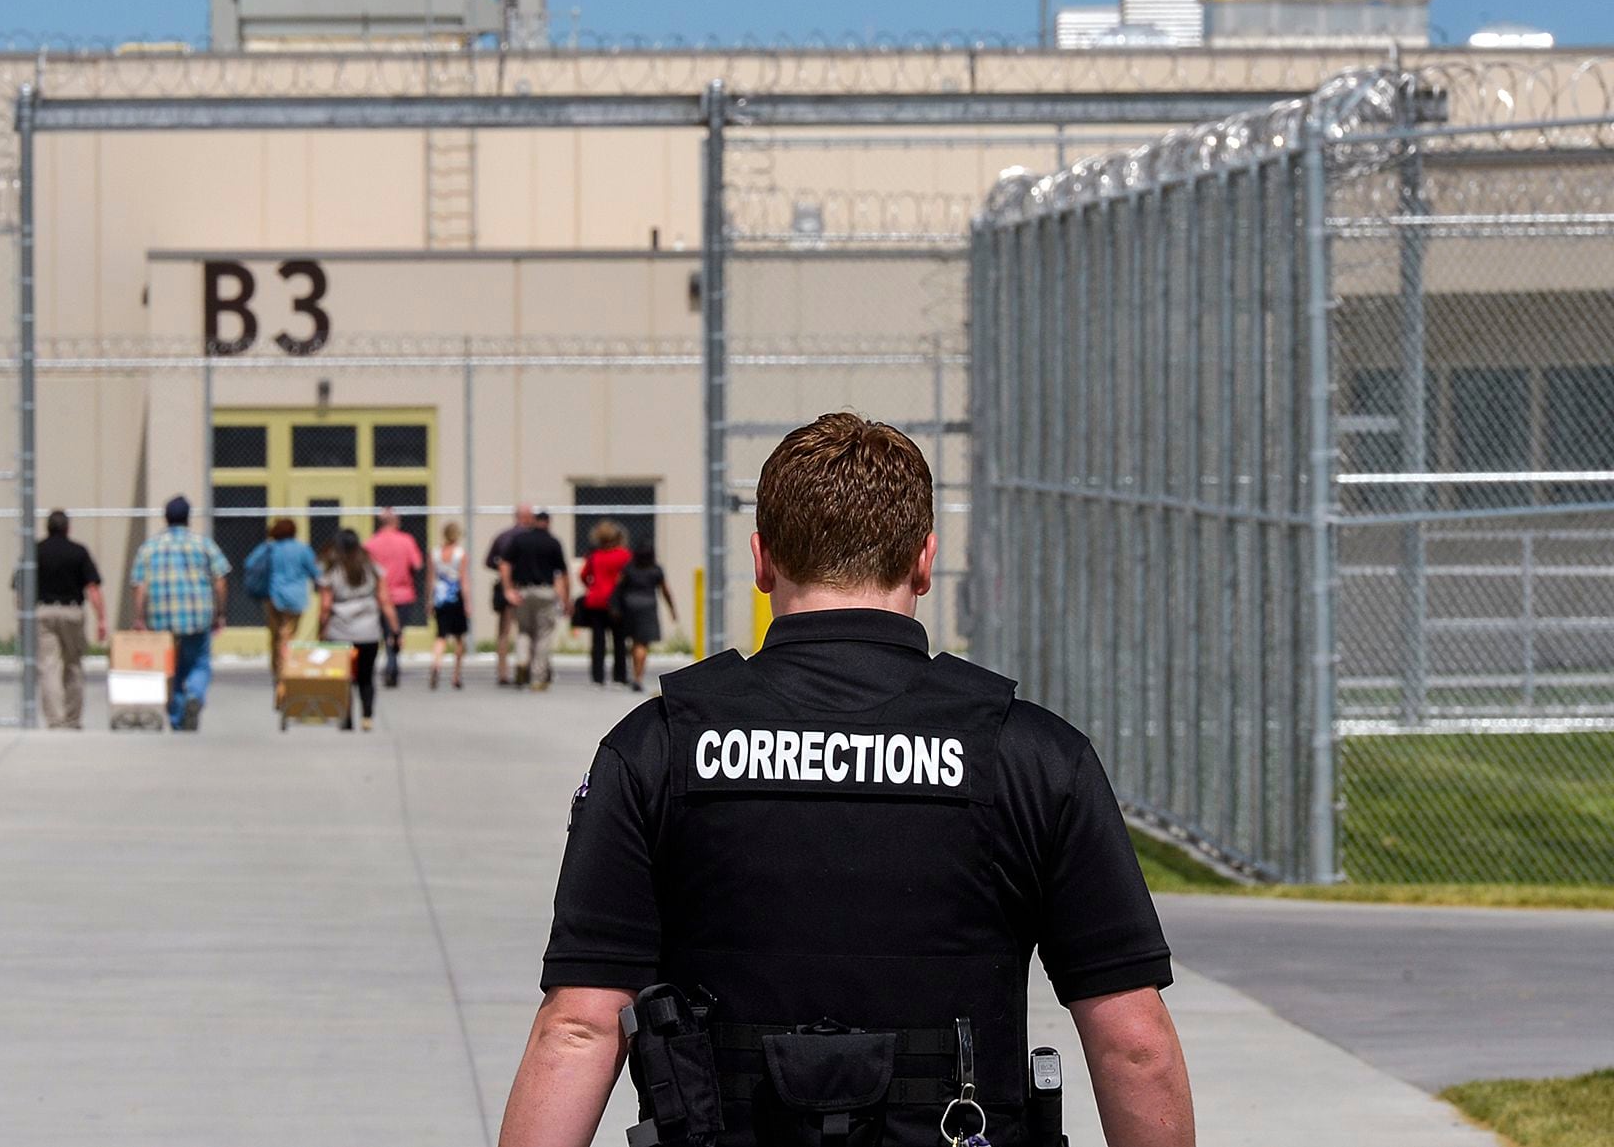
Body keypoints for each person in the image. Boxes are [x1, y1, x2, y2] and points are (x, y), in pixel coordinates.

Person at [499, 413, 1193, 1147]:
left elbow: (578, 1026)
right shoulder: (1030, 752)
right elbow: (1133, 1043)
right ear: (925, 561)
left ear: (762, 561)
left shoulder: (658, 746)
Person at [126, 495, 231, 732]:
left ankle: (177, 717)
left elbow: (139, 584)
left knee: (169, 668)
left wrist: (139, 617)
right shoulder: (203, 544)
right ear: (188, 518)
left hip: (161, 617)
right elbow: (220, 579)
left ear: (166, 517)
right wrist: (220, 612)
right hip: (198, 615)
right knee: (199, 663)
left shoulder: (149, 547)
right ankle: (194, 695)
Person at [28, 509, 104, 730]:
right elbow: (93, 587)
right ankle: (72, 718)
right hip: (72, 612)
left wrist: (23, 616)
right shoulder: (78, 552)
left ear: (47, 527)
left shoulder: (35, 552)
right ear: (67, 528)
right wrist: (101, 619)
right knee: (73, 664)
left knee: (48, 666)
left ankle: (55, 718)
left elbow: (20, 586)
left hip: (43, 612)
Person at [317, 528, 398, 732]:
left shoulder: (333, 571)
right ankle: (367, 717)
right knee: (366, 676)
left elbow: (325, 606)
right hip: (368, 631)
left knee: (342, 677)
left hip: (340, 631)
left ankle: (346, 717)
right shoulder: (372, 568)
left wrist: (321, 629)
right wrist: (395, 629)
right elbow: (385, 600)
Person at [496, 505, 570, 692]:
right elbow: (562, 573)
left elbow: (504, 563)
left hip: (523, 591)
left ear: (535, 521)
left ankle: (521, 662)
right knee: (543, 635)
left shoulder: (520, 540)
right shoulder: (553, 542)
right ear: (548, 523)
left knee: (524, 631)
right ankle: (537, 677)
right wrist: (566, 599)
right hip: (545, 591)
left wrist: (508, 590)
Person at [246, 516, 321, 693]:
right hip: (295, 598)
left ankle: (277, 672)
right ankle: (285, 674)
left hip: (272, 597)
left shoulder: (268, 548)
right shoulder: (302, 549)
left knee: (275, 636)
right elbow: (315, 572)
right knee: (288, 636)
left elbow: (249, 563)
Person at [364, 508, 426, 690]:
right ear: (395, 522)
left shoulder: (371, 544)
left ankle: (391, 662)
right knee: (397, 631)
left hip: (379, 597)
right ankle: (393, 663)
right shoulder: (406, 541)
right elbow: (417, 564)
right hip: (403, 595)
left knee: (385, 632)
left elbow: (365, 570)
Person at [574, 520, 634, 689]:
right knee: (619, 641)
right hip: (617, 603)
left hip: (595, 601)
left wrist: (592, 587)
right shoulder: (624, 555)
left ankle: (598, 676)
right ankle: (620, 676)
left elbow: (583, 575)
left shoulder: (594, 556)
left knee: (598, 642)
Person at [613, 536, 677, 693]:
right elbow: (665, 590)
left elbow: (618, 587)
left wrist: (615, 607)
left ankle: (635, 674)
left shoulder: (629, 568)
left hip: (630, 606)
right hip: (647, 606)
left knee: (635, 643)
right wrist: (672, 609)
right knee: (643, 644)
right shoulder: (655, 570)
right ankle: (638, 677)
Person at [485, 503, 534, 688]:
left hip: (506, 588)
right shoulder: (528, 538)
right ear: (525, 517)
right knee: (526, 631)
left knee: (504, 632)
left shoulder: (502, 537)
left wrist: (501, 569)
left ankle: (503, 672)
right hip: (522, 587)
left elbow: (489, 561)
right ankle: (525, 669)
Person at [428, 520, 470, 690]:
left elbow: (431, 579)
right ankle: (456, 675)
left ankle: (436, 664)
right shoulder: (460, 554)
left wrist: (429, 600)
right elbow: (464, 580)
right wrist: (467, 602)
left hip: (440, 595)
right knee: (459, 638)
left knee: (441, 636)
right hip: (455, 596)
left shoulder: (435, 553)